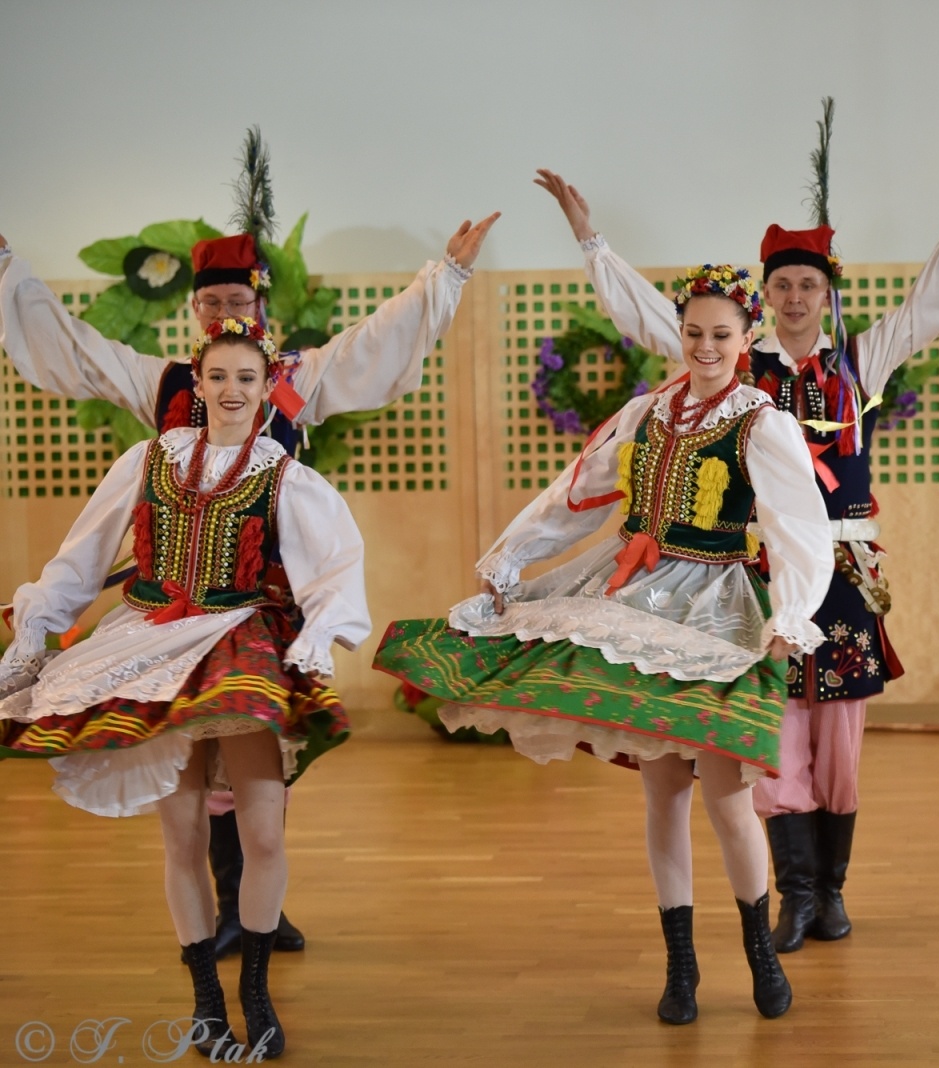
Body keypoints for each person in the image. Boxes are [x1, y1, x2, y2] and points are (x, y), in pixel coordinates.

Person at [533, 134, 939, 953]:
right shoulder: (732, 365)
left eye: (808, 285)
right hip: (753, 577)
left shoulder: (863, 358)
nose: (794, 297)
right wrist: (590, 239)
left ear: (827, 295)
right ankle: (793, 896)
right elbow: (654, 316)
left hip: (849, 573)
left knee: (842, 742)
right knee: (774, 729)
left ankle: (832, 893)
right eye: (782, 285)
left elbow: (937, 301)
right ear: (765, 298)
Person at [0, 208, 495, 956]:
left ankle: (254, 904)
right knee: (190, 777)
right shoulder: (167, 387)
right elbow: (77, 349)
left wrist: (445, 276)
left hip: (264, 603)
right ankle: (225, 909)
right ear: (193, 314)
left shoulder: (295, 382)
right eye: (212, 304)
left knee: (257, 770)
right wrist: (11, 271)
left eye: (238, 303)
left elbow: (374, 344)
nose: (224, 314)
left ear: (261, 308)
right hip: (174, 604)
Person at [374, 264, 833, 1024]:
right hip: (633, 595)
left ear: (748, 336)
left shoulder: (761, 421)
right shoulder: (647, 413)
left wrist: (790, 619)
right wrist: (510, 560)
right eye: (694, 333)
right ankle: (680, 965)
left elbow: (798, 531)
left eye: (722, 334)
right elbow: (577, 496)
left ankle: (756, 950)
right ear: (678, 334)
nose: (706, 347)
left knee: (727, 796)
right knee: (662, 791)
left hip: (714, 605)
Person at [0, 317, 370, 1059]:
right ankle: (206, 1000)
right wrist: (37, 628)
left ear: (268, 390)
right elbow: (81, 557)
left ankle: (255, 989)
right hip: (151, 645)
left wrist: (317, 637)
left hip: (235, 641)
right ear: (197, 385)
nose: (232, 391)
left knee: (264, 831)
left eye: (246, 379)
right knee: (184, 836)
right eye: (218, 377)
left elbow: (335, 564)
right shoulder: (146, 461)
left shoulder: (284, 474)